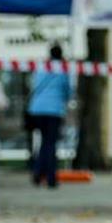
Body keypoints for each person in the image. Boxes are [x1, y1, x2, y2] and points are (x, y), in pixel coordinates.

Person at [27, 44, 71, 189]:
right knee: (50, 143)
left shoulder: (41, 66)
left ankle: (38, 173)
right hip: (53, 110)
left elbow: (33, 84)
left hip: (36, 109)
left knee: (45, 143)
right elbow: (67, 91)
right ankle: (50, 177)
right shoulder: (63, 69)